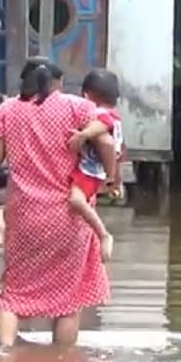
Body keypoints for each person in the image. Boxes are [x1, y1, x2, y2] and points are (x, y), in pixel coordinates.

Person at [0, 58, 115, 347]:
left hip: (24, 216)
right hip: (68, 217)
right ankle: (61, 361)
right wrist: (111, 178)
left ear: (23, 83)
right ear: (58, 83)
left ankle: (4, 355)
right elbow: (108, 143)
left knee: (13, 294)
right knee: (67, 301)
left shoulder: (7, 111)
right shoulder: (77, 108)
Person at [65, 69, 123, 263]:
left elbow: (104, 130)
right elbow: (119, 153)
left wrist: (83, 135)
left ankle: (103, 234)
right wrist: (116, 180)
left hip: (90, 172)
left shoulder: (99, 114)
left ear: (86, 95)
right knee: (79, 201)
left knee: (76, 200)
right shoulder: (114, 116)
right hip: (96, 171)